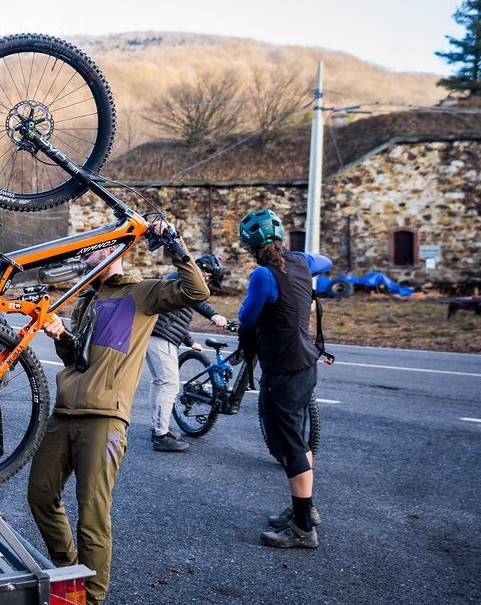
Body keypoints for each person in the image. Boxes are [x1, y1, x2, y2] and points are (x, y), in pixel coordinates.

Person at [28, 224, 210, 605]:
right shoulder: (86, 299)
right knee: (40, 494)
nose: (83, 257)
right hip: (65, 412)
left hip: (105, 417)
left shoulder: (140, 294)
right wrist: (62, 336)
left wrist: (173, 243)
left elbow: (197, 291)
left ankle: (90, 598)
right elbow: (78, 359)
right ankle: (69, 570)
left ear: (113, 251)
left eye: (90, 251)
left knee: (92, 511)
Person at [236, 208, 332, 550]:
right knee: (300, 440)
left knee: (290, 446)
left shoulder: (263, 275)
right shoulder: (301, 263)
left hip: (284, 370)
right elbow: (327, 261)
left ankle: (304, 529)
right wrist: (303, 258)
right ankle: (304, 508)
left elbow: (247, 318)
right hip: (308, 363)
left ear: (249, 245)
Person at [145, 253, 230, 452]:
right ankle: (160, 435)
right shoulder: (184, 277)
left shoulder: (180, 279)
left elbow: (177, 314)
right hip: (161, 337)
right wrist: (214, 314)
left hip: (156, 335)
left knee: (159, 382)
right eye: (208, 275)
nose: (207, 280)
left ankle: (158, 427)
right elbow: (197, 302)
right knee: (170, 384)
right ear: (203, 269)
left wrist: (190, 342)